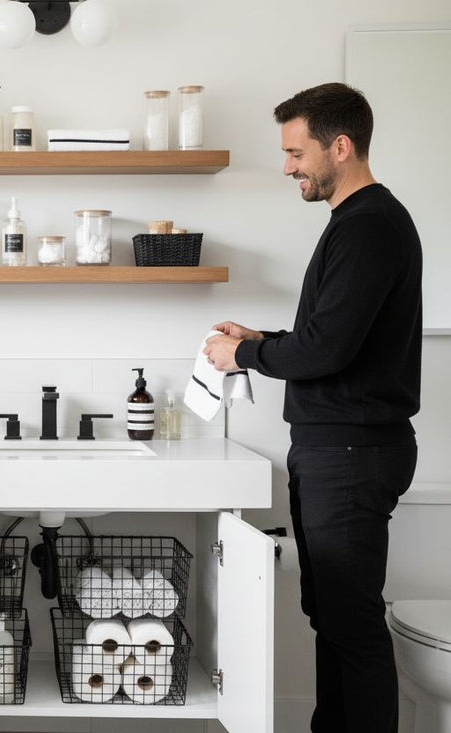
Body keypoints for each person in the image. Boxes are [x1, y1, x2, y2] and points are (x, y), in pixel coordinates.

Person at [203, 83, 422, 733]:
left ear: (341, 147)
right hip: (340, 448)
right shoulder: (358, 223)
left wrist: (242, 356)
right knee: (332, 617)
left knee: (350, 624)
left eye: (297, 153)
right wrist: (260, 340)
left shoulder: (369, 226)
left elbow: (326, 348)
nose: (287, 167)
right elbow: (333, 337)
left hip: (351, 452)